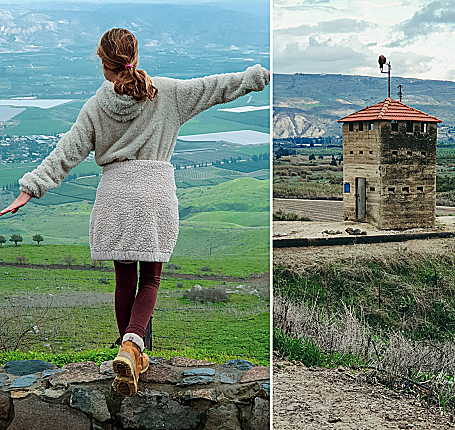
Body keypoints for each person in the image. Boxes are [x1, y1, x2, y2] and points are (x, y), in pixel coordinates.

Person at [0, 27, 270, 396]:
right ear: (135, 57)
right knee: (151, 281)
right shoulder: (168, 94)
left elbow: (66, 152)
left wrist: (29, 189)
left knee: (124, 281)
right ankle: (133, 347)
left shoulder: (96, 106)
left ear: (104, 65)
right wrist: (258, 77)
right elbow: (216, 87)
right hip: (154, 195)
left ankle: (128, 354)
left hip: (115, 198)